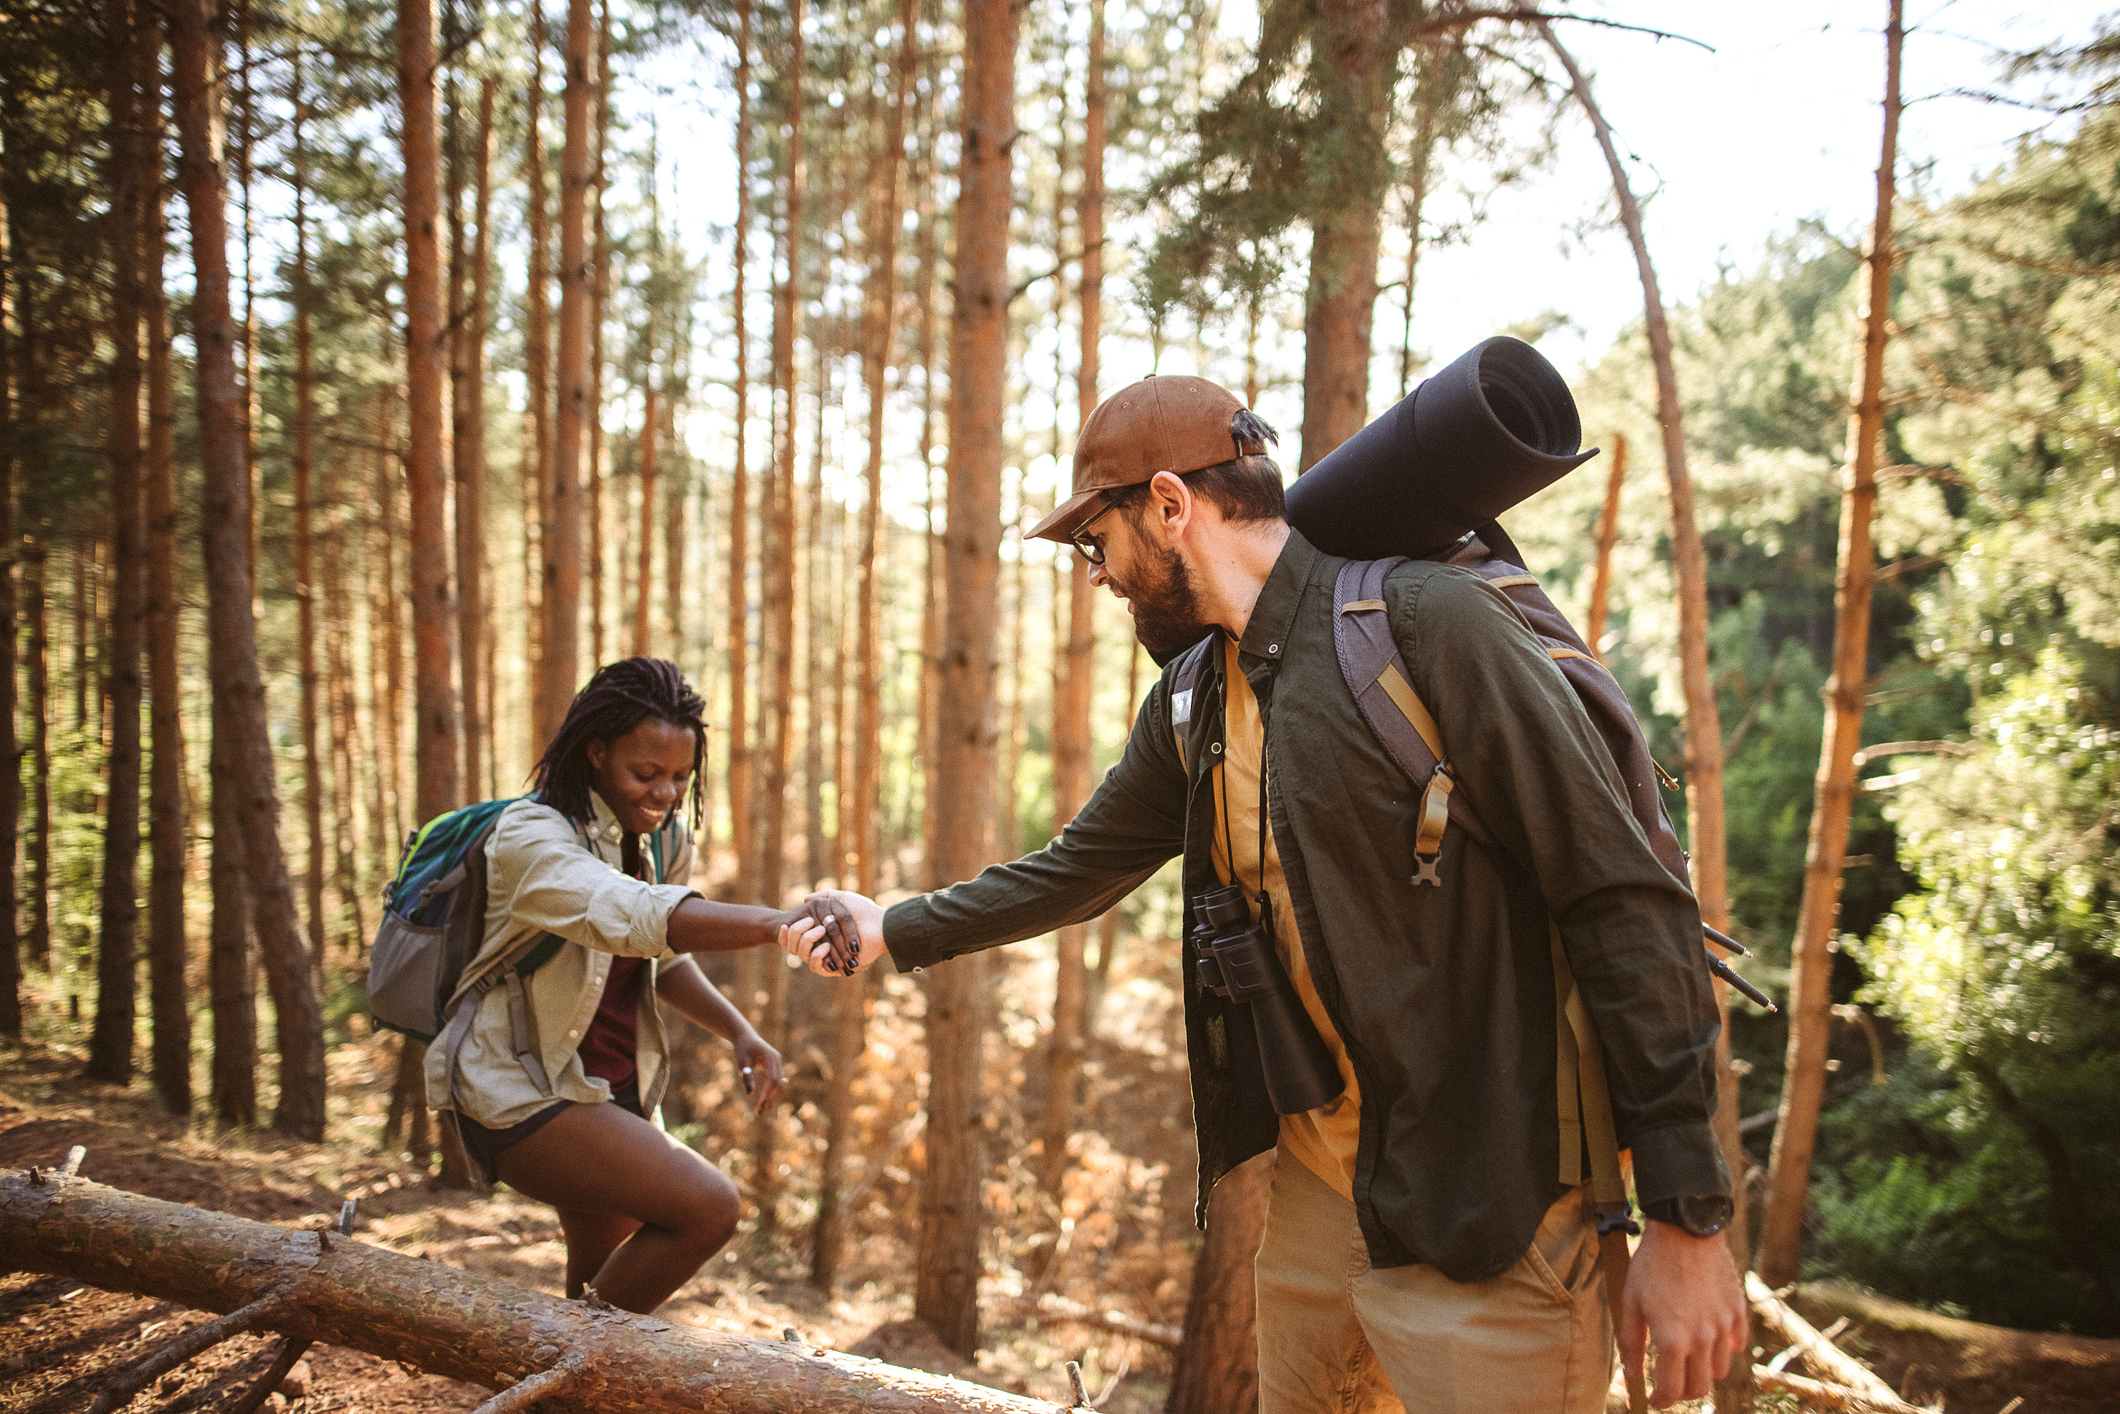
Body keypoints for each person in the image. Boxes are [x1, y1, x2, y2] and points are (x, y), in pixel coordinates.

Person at [783, 378, 1747, 1411]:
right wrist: (892, 927)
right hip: (1322, 1191)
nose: (1095, 575)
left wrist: (1687, 1220)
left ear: (1168, 504)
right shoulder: (1196, 692)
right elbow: (1076, 867)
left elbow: (1618, 894)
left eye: (1093, 540)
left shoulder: (1430, 625)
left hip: (1493, 1198)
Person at [428, 656, 846, 1315]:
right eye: (645, 774)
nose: (665, 793)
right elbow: (628, 915)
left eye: (680, 777)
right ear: (595, 752)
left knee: (599, 1301)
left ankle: (553, 1389)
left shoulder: (659, 840)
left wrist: (739, 1031)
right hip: (521, 1089)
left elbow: (661, 957)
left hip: (612, 1091)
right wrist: (776, 923)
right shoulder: (532, 837)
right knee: (709, 1208)